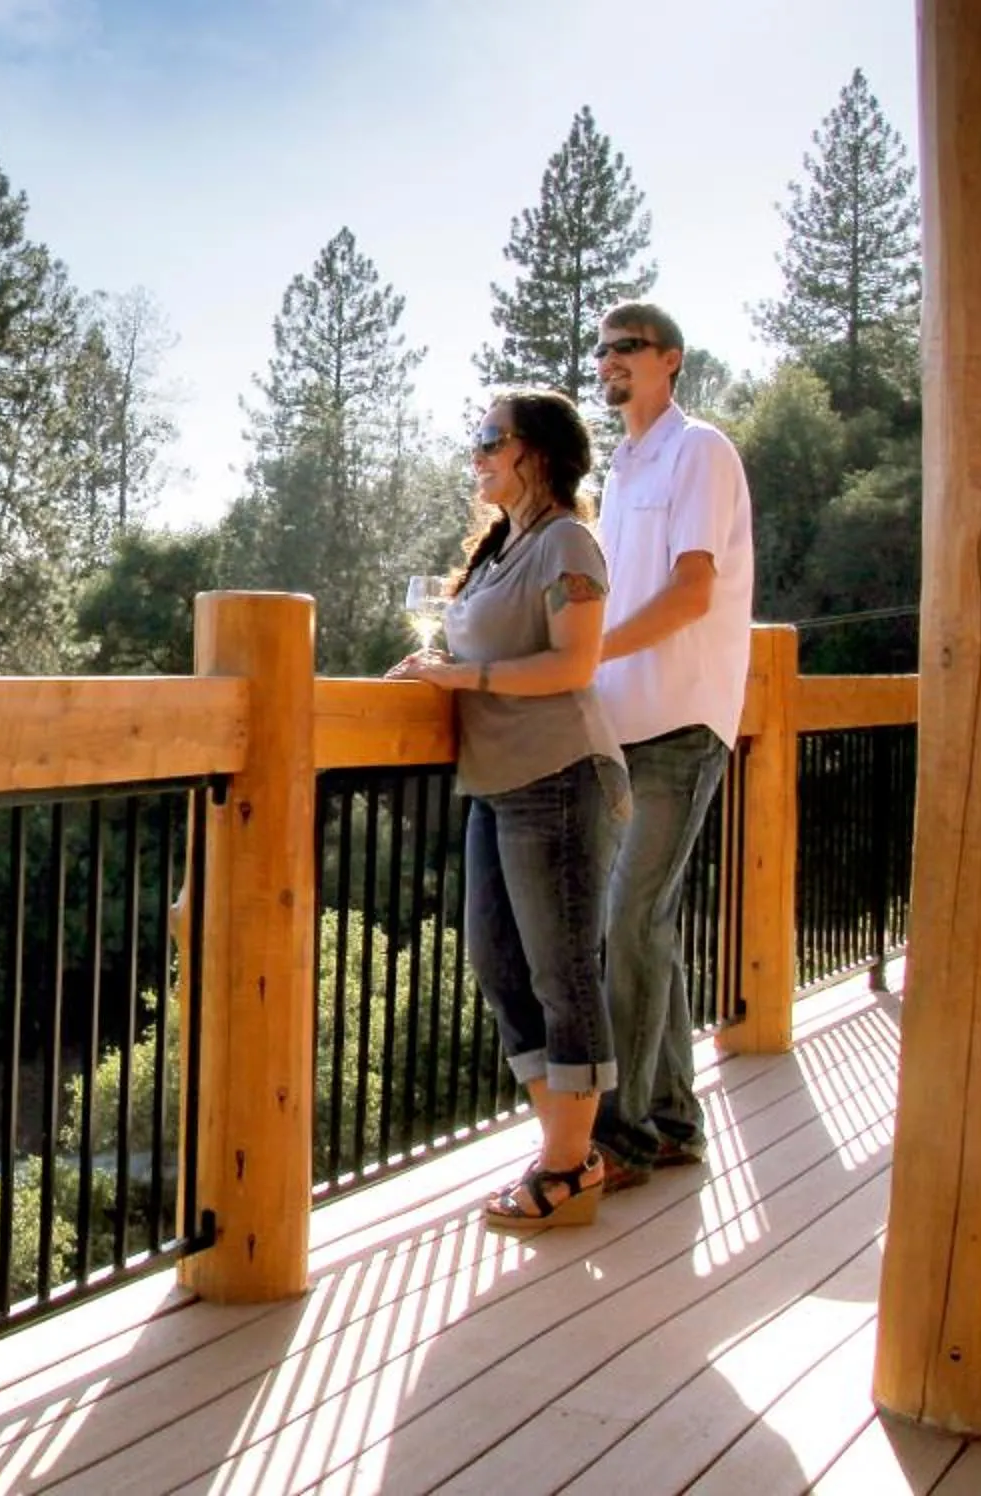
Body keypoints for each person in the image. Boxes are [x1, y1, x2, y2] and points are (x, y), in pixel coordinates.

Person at [387, 388, 628, 1230]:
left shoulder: (567, 541)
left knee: (562, 970)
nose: (477, 453)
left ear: (538, 452)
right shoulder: (503, 547)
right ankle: (569, 1149)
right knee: (497, 962)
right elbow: (480, 651)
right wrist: (430, 673)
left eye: (491, 439)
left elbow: (574, 665)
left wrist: (460, 676)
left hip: (559, 774)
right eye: (477, 439)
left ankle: (567, 1167)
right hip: (495, 781)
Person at [585, 301, 758, 1190]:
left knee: (630, 923)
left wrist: (587, 652)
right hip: (620, 727)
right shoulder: (621, 468)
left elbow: (693, 594)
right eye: (604, 349)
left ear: (671, 360)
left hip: (682, 725)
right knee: (645, 925)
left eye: (629, 348)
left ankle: (620, 1138)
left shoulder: (701, 452)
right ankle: (677, 1122)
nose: (611, 360)